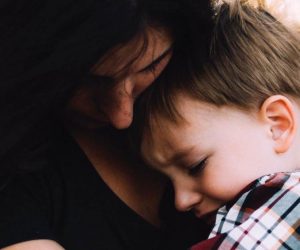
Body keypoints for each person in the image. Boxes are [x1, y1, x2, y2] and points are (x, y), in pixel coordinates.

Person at [0, 0, 214, 249]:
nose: (122, 116)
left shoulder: (226, 97)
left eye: (150, 67)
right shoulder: (17, 175)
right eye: (89, 81)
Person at [132, 0, 300, 249]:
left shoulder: (288, 201)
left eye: (195, 166)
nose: (180, 201)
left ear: (278, 125)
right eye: (167, 180)